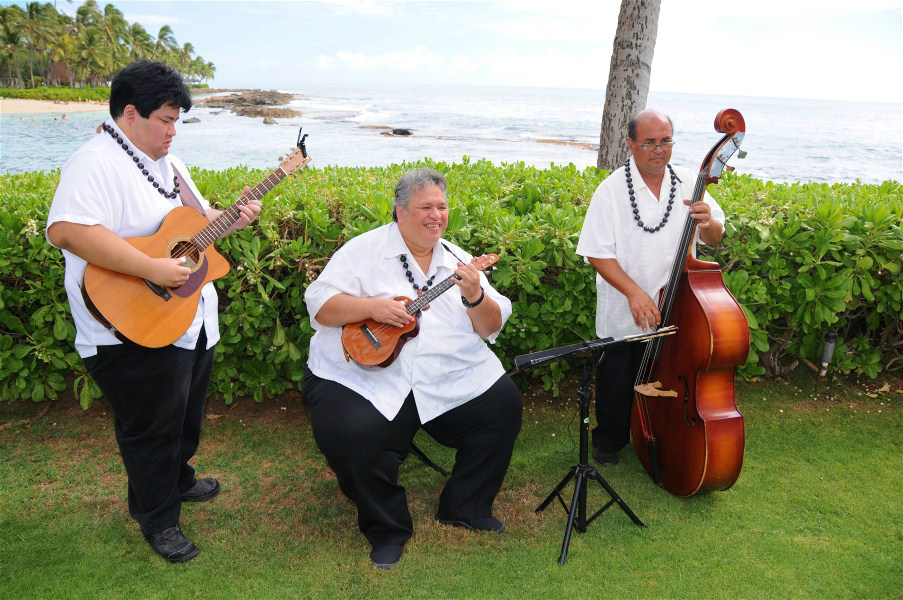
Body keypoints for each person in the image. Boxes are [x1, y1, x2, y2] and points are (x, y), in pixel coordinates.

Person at [46, 61, 261, 562]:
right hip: (128, 325)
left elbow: (194, 228)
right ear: (129, 113)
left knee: (183, 417)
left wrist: (234, 217)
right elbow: (68, 230)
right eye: (165, 120)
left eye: (176, 121)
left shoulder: (169, 163)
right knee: (151, 429)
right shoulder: (95, 161)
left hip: (185, 319)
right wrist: (150, 266)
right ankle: (157, 519)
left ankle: (178, 481)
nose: (172, 130)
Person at [302, 168, 522, 570]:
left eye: (442, 206)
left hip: (443, 373)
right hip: (363, 374)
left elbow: (491, 327)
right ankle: (386, 529)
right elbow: (319, 304)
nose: (435, 215)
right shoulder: (362, 251)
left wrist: (474, 294)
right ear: (400, 212)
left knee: (502, 405)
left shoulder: (458, 260)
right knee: (352, 432)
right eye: (425, 207)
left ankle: (465, 506)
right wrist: (371, 308)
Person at [576, 109, 726, 467]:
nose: (658, 149)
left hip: (678, 305)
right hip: (624, 307)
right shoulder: (610, 190)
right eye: (649, 142)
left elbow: (717, 237)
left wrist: (708, 225)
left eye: (665, 141)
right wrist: (634, 293)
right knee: (617, 380)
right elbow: (597, 254)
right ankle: (610, 440)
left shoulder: (692, 180)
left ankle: (664, 431)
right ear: (631, 144)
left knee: (671, 378)